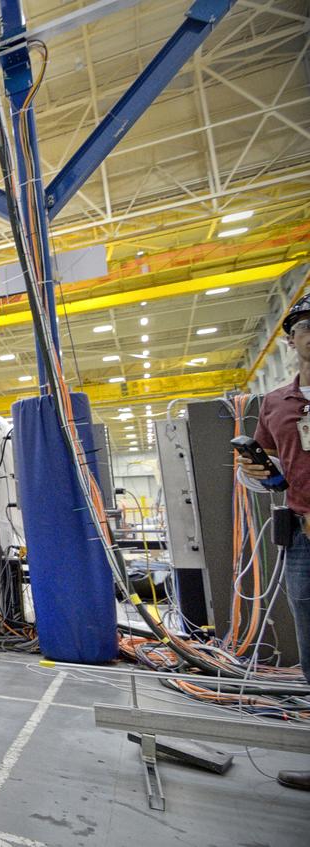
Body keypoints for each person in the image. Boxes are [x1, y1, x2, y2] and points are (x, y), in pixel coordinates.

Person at [236, 292, 310, 792]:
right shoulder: (277, 402)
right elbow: (266, 468)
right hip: (303, 534)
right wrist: (255, 474)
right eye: (304, 326)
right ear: (292, 341)